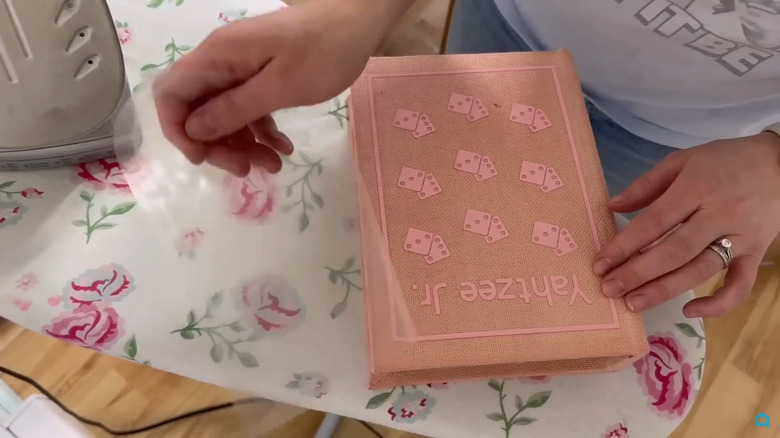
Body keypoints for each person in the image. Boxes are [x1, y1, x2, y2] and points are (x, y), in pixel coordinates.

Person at [152, 0, 780, 319]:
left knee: (563, 294)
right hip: (509, 31)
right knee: (432, 257)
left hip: (684, 141)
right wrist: (354, 13)